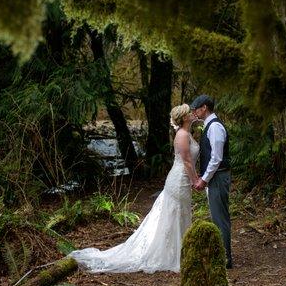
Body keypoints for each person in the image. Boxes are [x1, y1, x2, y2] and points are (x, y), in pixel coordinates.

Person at [68, 104, 199, 273]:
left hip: (183, 179)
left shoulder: (187, 134)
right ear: (184, 117)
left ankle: (180, 250)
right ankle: (174, 254)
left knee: (179, 214)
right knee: (176, 214)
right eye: (189, 112)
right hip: (179, 179)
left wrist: (194, 178)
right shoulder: (182, 134)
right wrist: (195, 180)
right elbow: (187, 161)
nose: (192, 113)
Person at [191, 95, 233, 268]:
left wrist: (204, 179)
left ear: (205, 108)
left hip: (218, 176)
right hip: (216, 176)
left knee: (220, 218)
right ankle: (222, 255)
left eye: (196, 108)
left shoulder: (215, 127)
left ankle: (225, 259)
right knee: (217, 217)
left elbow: (216, 158)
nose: (194, 111)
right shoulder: (209, 126)